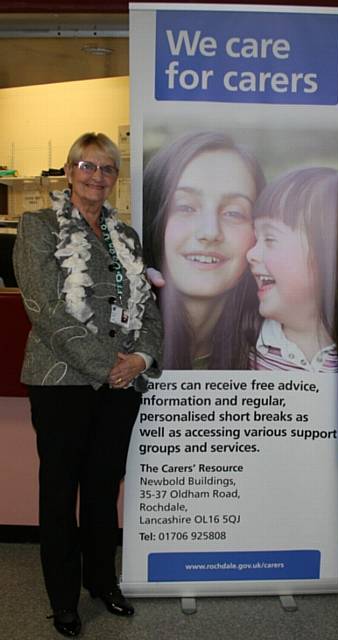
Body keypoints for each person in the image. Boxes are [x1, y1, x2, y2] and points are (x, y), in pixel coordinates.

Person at [13, 132, 162, 637]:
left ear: (115, 179)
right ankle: (63, 600)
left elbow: (148, 307)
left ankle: (103, 582)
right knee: (60, 493)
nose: (96, 176)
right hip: (62, 382)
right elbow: (45, 309)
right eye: (86, 166)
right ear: (69, 171)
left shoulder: (128, 237)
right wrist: (107, 365)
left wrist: (140, 357)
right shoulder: (38, 227)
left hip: (121, 386)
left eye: (106, 169)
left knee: (103, 489)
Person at [143, 131, 265, 369]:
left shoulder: (276, 354)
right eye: (186, 207)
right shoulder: (116, 332)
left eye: (234, 213)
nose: (210, 232)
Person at [247, 167, 338, 371]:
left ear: (329, 251)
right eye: (256, 239)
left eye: (270, 238)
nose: (250, 254)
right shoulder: (243, 348)